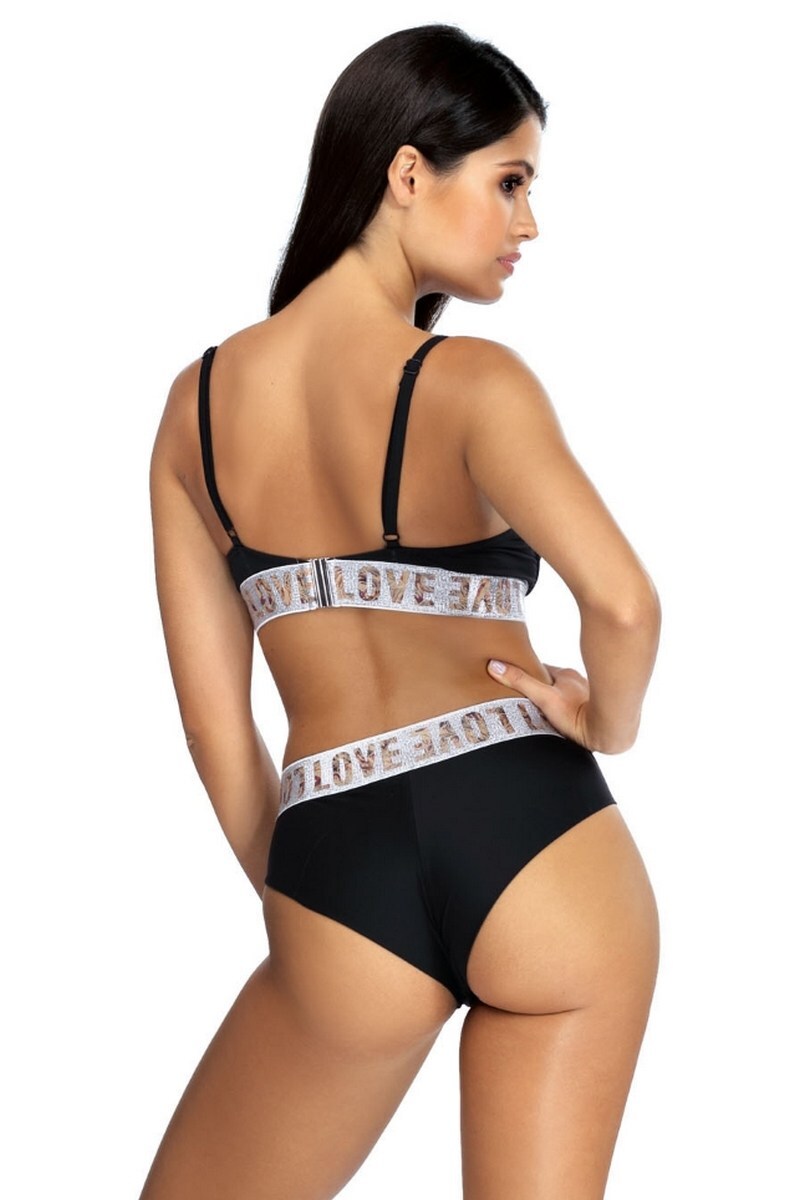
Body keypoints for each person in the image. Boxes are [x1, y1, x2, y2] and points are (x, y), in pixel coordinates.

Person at [142, 22, 661, 1200]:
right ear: (408, 172)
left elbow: (216, 730)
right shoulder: (474, 383)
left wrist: (312, 896)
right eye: (510, 182)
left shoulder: (194, 412)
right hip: (542, 848)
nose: (528, 225)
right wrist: (604, 723)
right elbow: (623, 605)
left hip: (338, 860)